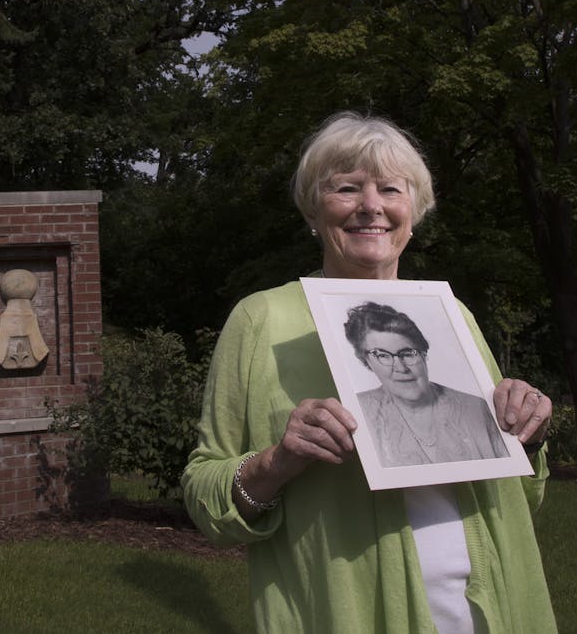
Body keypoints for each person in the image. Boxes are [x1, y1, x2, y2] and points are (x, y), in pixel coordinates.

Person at [182, 112, 556, 634]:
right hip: (347, 614)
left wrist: (527, 435)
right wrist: (278, 460)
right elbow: (205, 493)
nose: (372, 206)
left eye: (390, 190)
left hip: (492, 610)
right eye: (347, 188)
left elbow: (521, 495)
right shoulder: (261, 319)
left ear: (414, 210)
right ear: (314, 209)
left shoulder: (452, 315)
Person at [345, 301, 508, 467]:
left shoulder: (475, 408)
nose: (401, 368)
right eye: (382, 355)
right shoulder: (355, 413)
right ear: (367, 362)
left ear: (424, 354)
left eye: (408, 353)